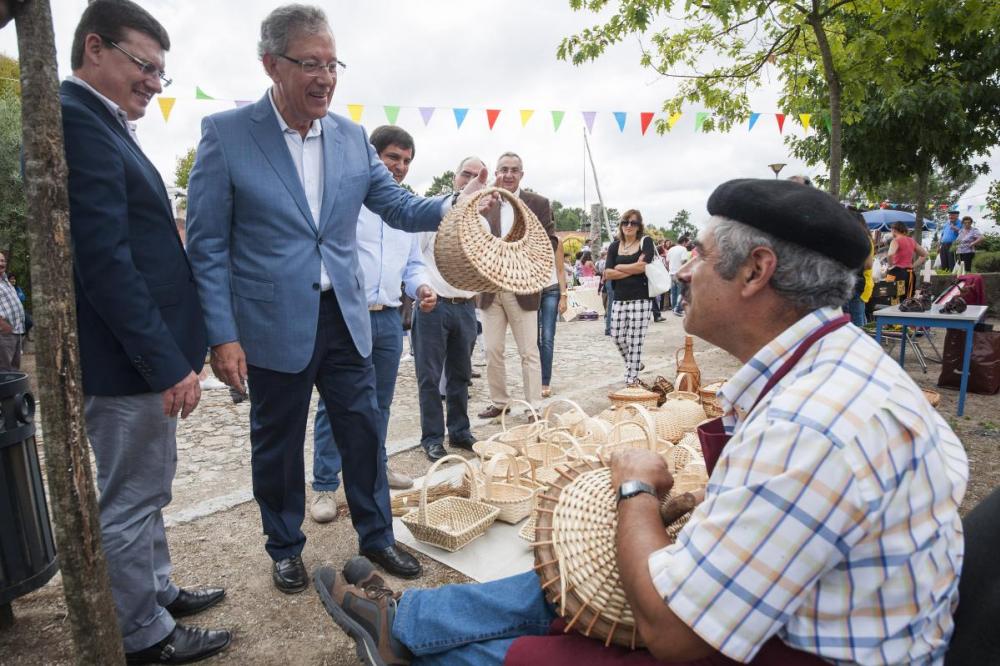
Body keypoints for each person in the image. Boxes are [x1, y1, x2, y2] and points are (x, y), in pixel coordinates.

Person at [317, 178, 967, 666]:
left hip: (792, 652)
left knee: (535, 655)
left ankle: (409, 645)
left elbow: (672, 633)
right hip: (792, 623)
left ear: (756, 271)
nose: (681, 269)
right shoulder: (844, 366)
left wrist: (635, 488)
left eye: (700, 255)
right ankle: (408, 619)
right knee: (579, 579)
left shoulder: (809, 427)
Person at [185, 4, 487, 591]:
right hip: (271, 323)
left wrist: (457, 203)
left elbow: (398, 206)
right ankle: (284, 546)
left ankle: (377, 536)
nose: (325, 78)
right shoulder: (226, 134)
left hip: (346, 317)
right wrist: (222, 336)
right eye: (310, 64)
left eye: (332, 64)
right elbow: (207, 246)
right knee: (276, 442)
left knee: (363, 432)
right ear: (271, 64)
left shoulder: (351, 137)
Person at [60, 1, 230, 661]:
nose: (155, 83)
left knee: (148, 488)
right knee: (131, 499)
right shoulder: (76, 122)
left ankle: (155, 591)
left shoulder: (104, 123)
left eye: (162, 72)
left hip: (139, 357)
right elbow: (105, 263)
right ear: (95, 48)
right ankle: (144, 636)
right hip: (127, 361)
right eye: (145, 65)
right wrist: (164, 361)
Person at [308, 125, 435, 524]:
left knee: (380, 403)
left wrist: (422, 286)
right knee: (335, 405)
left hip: (389, 321)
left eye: (407, 161)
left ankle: (376, 469)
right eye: (393, 157)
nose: (400, 167)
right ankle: (325, 485)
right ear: (373, 158)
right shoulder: (348, 202)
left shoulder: (405, 211)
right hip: (347, 318)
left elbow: (413, 265)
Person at [412, 158, 484, 461]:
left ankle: (459, 431)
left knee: (461, 375)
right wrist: (422, 291)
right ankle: (432, 438)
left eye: (477, 176)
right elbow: (415, 258)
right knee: (429, 377)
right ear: (455, 178)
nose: (470, 180)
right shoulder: (434, 214)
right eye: (465, 174)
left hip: (465, 306)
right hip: (434, 304)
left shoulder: (480, 222)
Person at [477, 152, 557, 420]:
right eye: (503, 169)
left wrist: (522, 257)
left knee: (528, 351)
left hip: (522, 287)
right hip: (490, 287)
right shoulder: (484, 201)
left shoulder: (538, 203)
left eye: (514, 170)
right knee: (492, 350)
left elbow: (550, 242)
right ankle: (500, 402)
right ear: (496, 173)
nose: (508, 174)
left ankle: (535, 406)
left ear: (522, 174)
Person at [604, 210, 656, 386]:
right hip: (619, 298)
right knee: (617, 337)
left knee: (635, 340)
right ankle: (635, 363)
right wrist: (633, 268)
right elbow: (607, 273)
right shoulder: (614, 246)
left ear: (639, 226)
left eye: (633, 223)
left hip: (641, 298)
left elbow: (643, 267)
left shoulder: (645, 242)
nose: (628, 226)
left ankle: (631, 379)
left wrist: (619, 266)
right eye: (625, 222)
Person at [537, 234, 567, 399]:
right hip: (531, 292)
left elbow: (560, 270)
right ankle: (534, 378)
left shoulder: (556, 240)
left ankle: (545, 381)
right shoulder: (527, 235)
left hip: (551, 290)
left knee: (547, 337)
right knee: (532, 340)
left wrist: (563, 296)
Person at [887, 221, 928, 298]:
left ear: (894, 230)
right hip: (910, 273)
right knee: (908, 299)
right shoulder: (911, 240)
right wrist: (913, 266)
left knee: (895, 298)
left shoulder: (895, 240)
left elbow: (890, 254)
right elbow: (924, 254)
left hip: (897, 273)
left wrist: (890, 266)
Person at [0, 253, 25, 371]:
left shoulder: (6, 280)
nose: (1, 263)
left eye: (2, 260)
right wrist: (2, 324)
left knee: (14, 370)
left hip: (16, 331)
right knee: (4, 370)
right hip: (3, 333)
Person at [665, 235, 689, 316]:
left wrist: (669, 270)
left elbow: (667, 261)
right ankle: (677, 308)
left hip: (671, 273)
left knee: (673, 292)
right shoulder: (683, 249)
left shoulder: (671, 249)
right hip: (679, 273)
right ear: (684, 242)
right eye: (687, 243)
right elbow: (684, 261)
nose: (687, 245)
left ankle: (674, 308)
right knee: (681, 291)